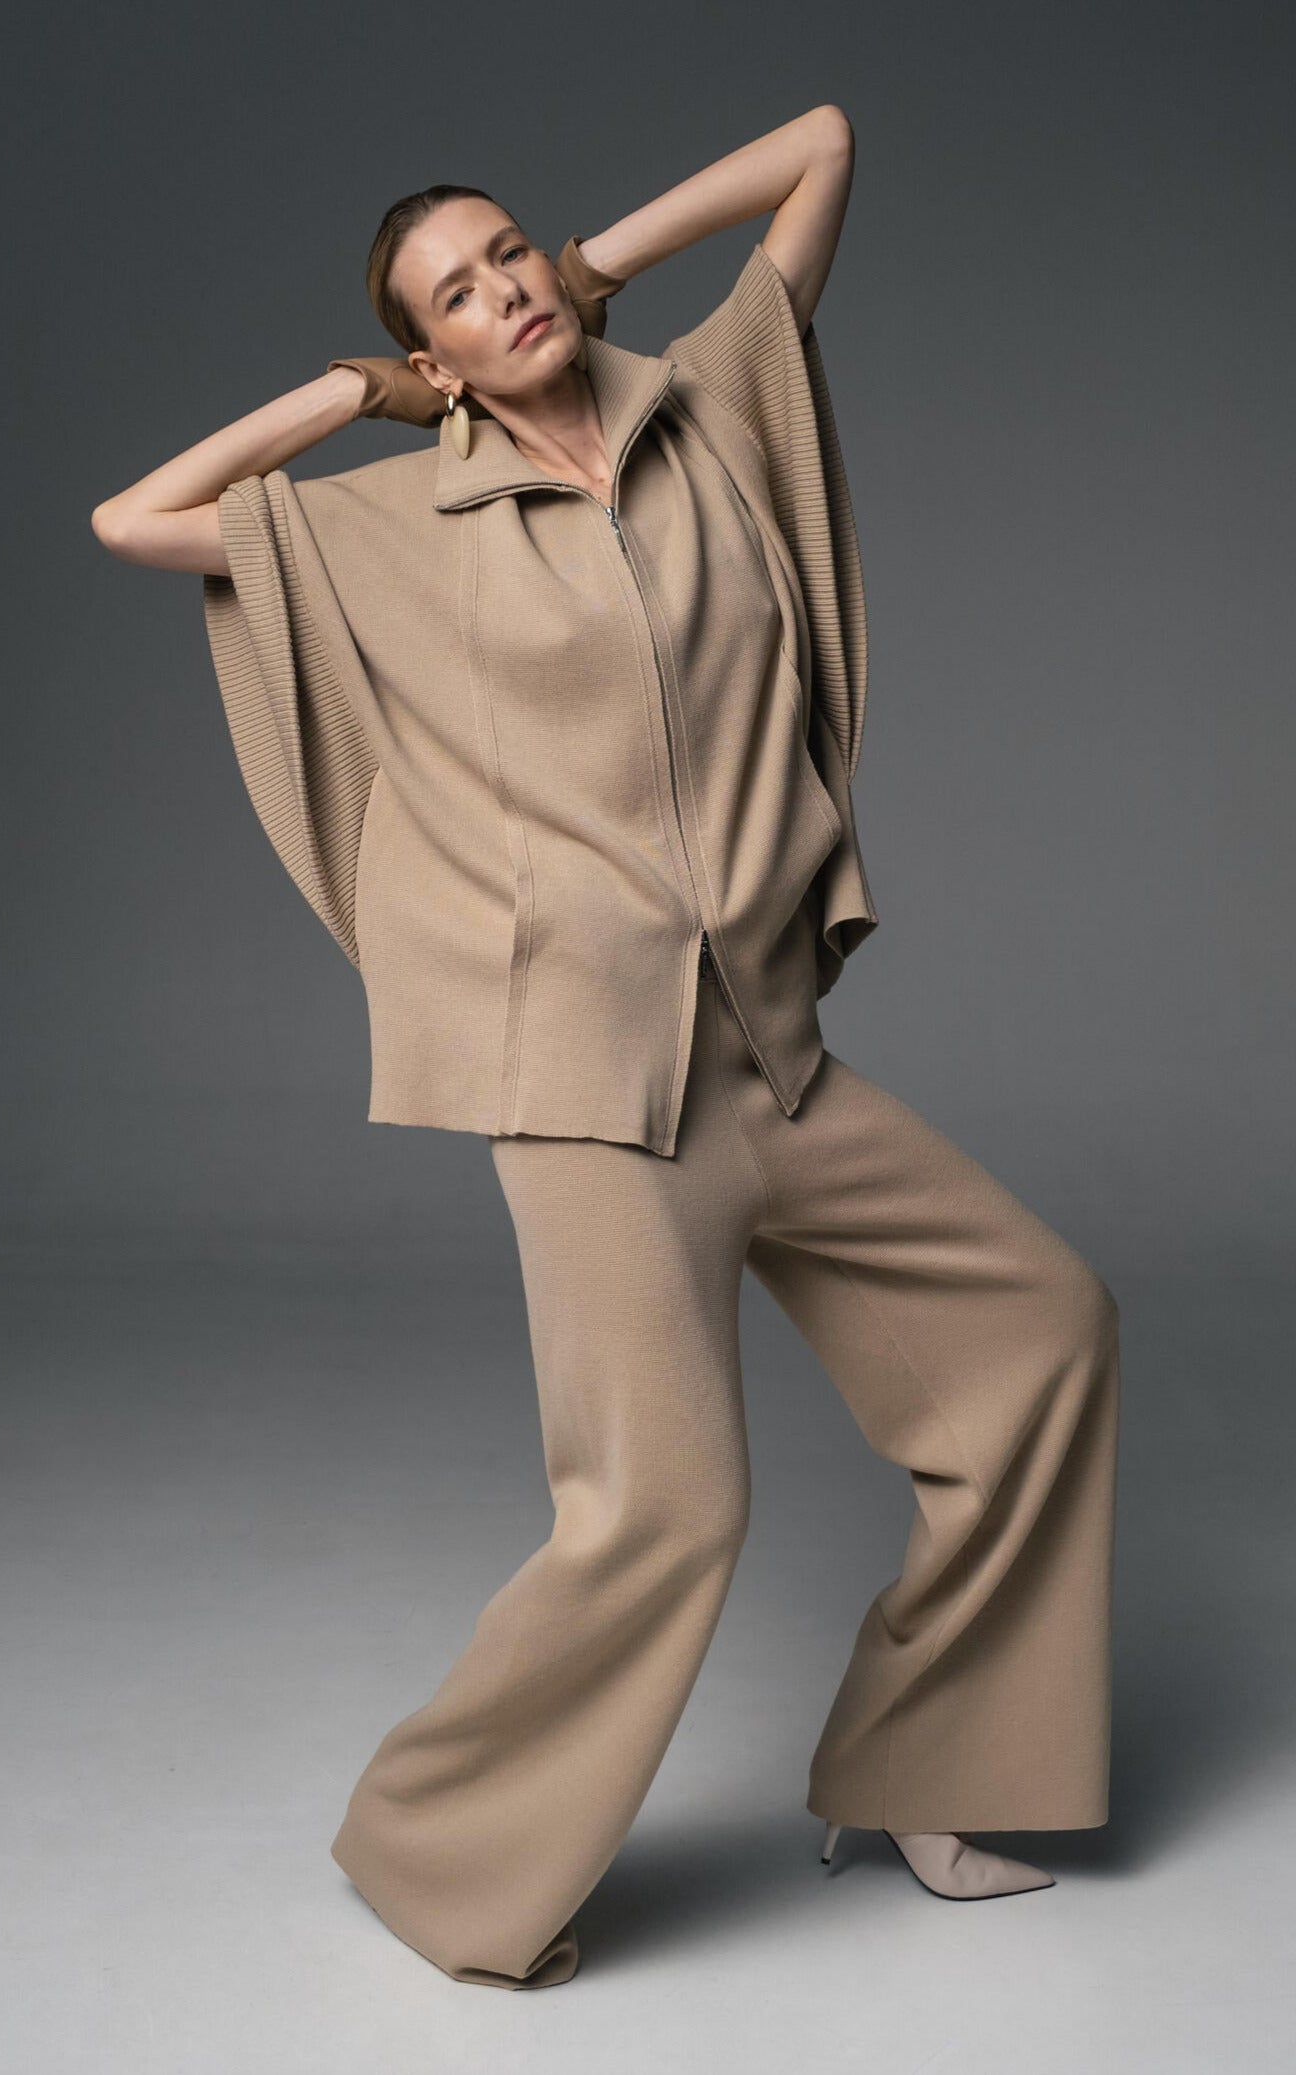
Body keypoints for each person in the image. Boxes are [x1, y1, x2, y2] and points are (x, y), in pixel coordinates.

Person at [91, 106, 1121, 1990]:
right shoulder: (399, 520)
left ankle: (926, 1762)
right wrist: (355, 400)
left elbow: (817, 146)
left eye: (513, 256)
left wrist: (606, 265)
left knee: (1041, 1329)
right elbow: (135, 520)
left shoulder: (707, 406)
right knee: (665, 1510)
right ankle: (438, 1858)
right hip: (588, 1098)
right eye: (456, 299)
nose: (505, 296)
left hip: (773, 1056)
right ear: (431, 353)